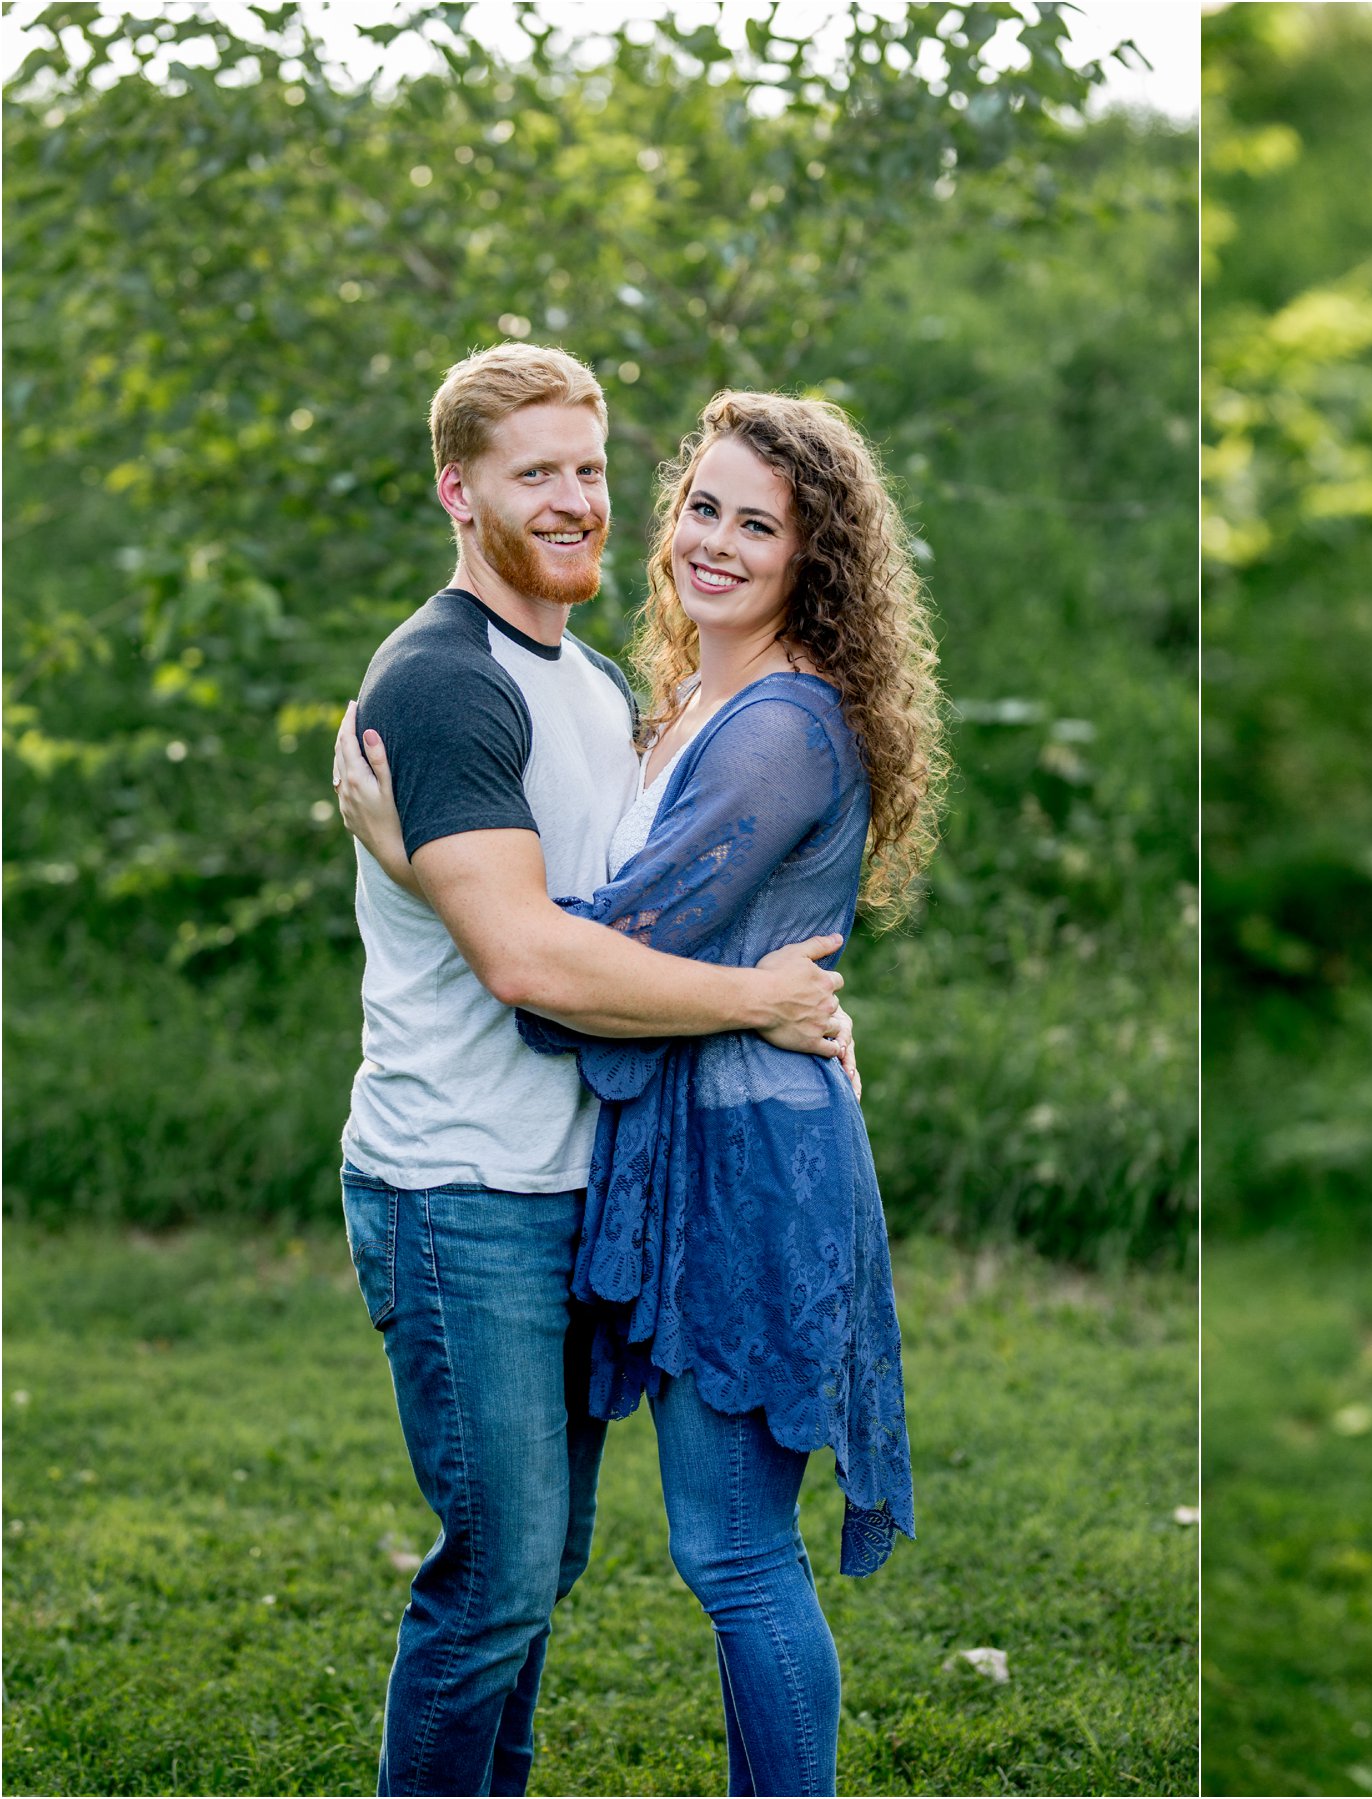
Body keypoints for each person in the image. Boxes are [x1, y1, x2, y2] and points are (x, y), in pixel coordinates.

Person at [342, 388, 943, 1797]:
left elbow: (606, 942)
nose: (714, 541)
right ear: (458, 490)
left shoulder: (769, 725)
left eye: (761, 523)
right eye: (704, 508)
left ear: (817, 558)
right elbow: (551, 947)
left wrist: (776, 1001)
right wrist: (417, 853)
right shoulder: (649, 697)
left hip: (735, 1163)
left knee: (727, 1555)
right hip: (571, 1157)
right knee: (539, 1570)